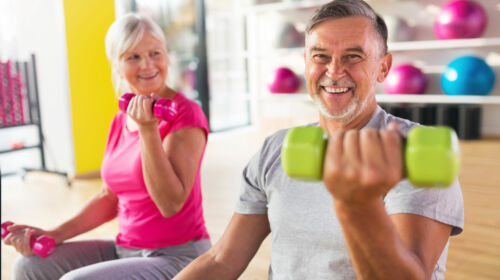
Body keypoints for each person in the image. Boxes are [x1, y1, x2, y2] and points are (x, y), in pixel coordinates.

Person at [174, 0, 464, 279]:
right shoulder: (275, 150)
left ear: (383, 68)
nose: (334, 71)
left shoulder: (411, 151)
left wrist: (358, 203)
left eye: (353, 56)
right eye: (320, 56)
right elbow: (222, 259)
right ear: (306, 63)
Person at [3, 13, 211, 280]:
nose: (147, 65)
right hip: (125, 249)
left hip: (177, 256)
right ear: (117, 64)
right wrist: (54, 234)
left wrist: (148, 130)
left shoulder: (186, 114)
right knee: (28, 267)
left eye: (155, 53)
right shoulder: (120, 120)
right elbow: (108, 197)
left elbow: (171, 204)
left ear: (167, 56)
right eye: (133, 57)